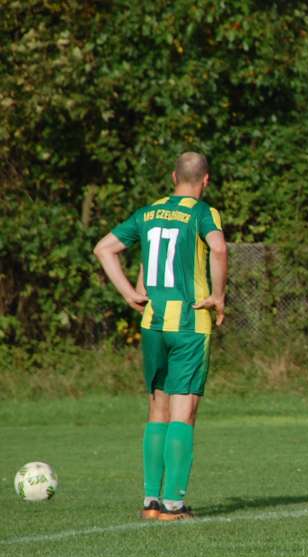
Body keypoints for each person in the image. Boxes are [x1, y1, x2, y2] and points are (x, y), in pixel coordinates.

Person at [94, 152, 227, 521]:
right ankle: (173, 505)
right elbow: (218, 247)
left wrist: (129, 292)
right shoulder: (203, 213)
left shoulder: (148, 213)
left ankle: (151, 501)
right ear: (205, 181)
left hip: (152, 323)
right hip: (188, 322)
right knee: (184, 412)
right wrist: (218, 296)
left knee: (157, 409)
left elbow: (104, 248)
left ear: (173, 177)